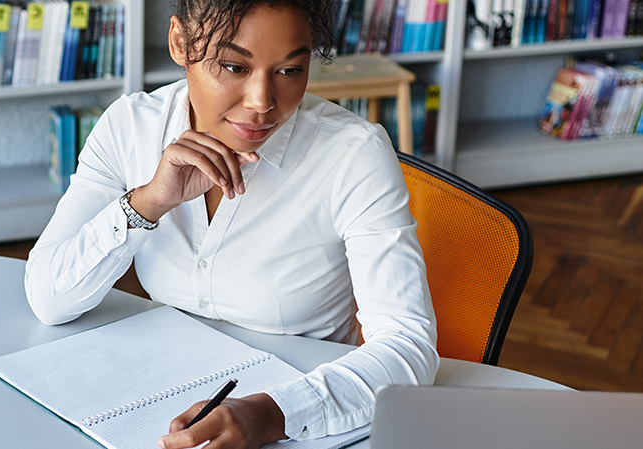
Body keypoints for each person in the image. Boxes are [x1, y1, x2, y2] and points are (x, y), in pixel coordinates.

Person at [24, 1, 439, 448]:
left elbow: (407, 347)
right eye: (233, 66)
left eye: (289, 71)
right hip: (155, 404)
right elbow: (49, 299)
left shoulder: (352, 154)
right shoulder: (130, 127)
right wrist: (148, 202)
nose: (262, 102)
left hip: (307, 420)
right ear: (180, 43)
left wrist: (275, 413)